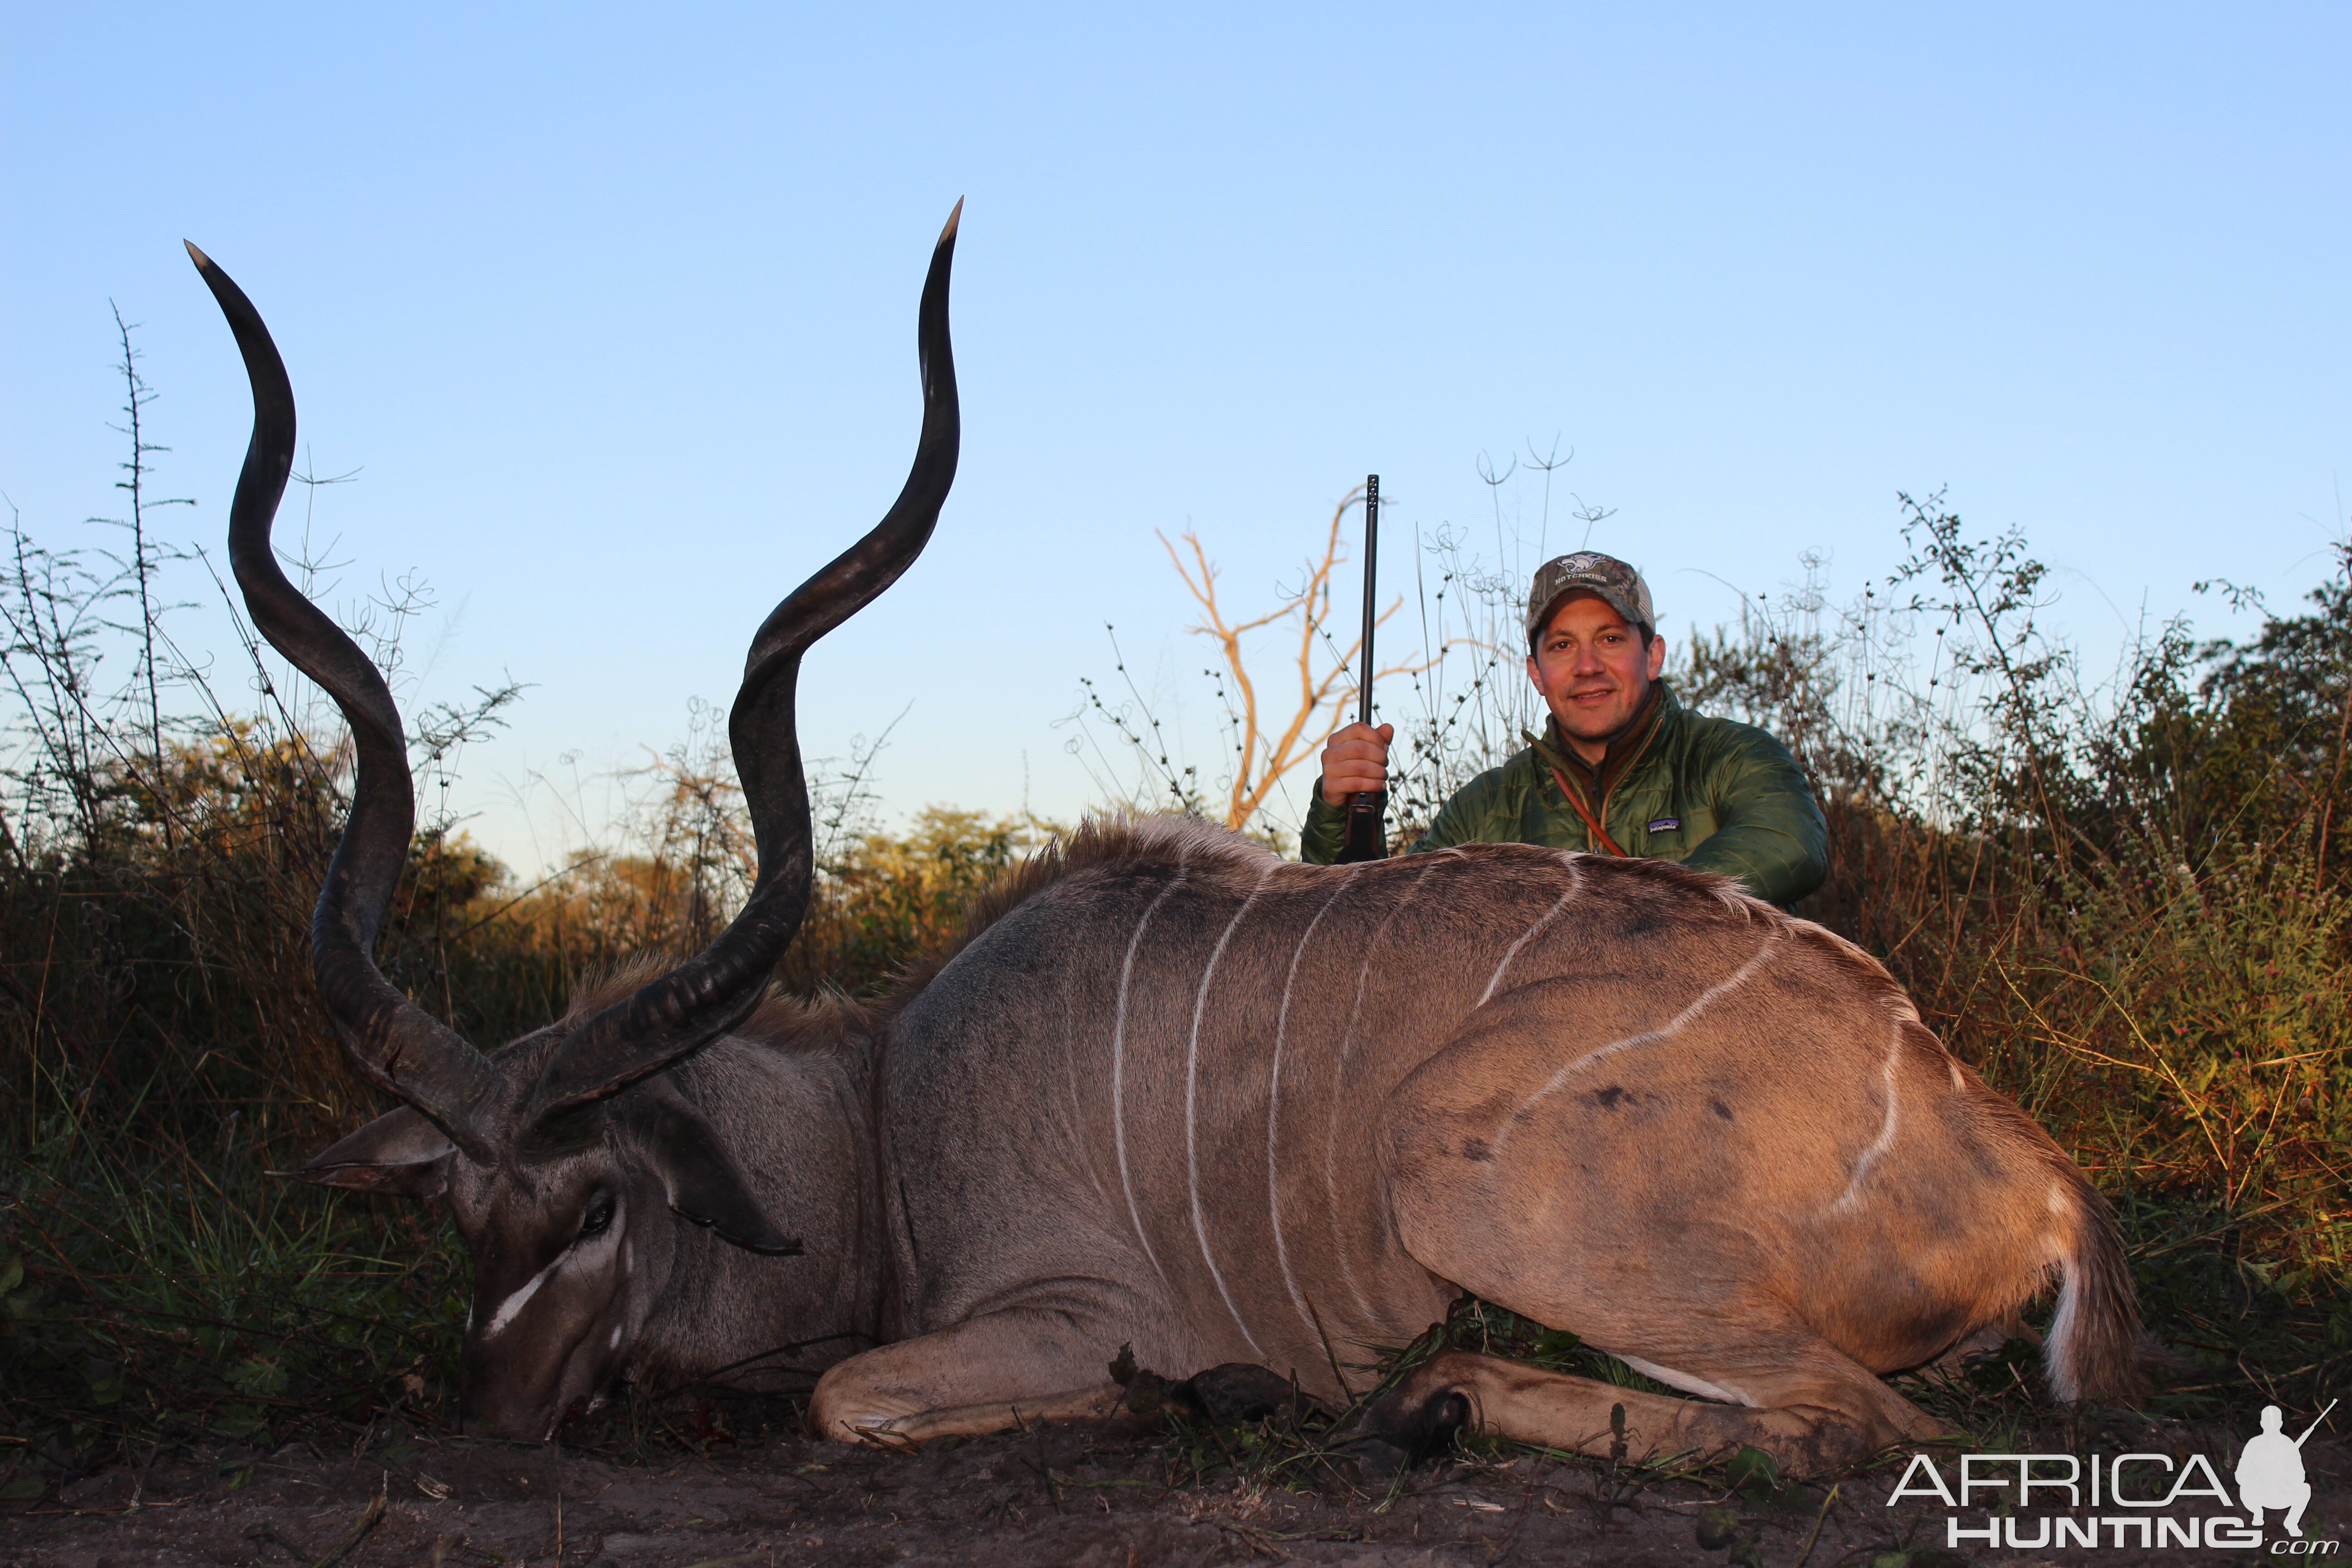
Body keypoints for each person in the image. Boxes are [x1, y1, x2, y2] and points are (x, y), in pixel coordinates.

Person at [1299, 550, 1828, 906]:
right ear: (1536, 673)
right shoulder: (1484, 809)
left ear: (1653, 656)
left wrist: (1610, 918)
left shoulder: (1731, 756)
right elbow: (1375, 919)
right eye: (1562, 646)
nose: (1588, 666)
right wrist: (1338, 813)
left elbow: (1791, 844)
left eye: (1611, 639)